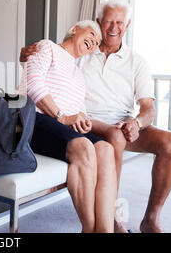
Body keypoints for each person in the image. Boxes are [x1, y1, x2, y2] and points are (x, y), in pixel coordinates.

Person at [20, 0, 171, 233]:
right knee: (112, 138)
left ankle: (150, 219)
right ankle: (111, 219)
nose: (112, 27)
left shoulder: (136, 62)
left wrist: (136, 123)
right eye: (107, 22)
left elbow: (148, 108)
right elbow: (44, 67)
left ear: (127, 25)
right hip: (88, 121)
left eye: (119, 22)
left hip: (119, 122)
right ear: (97, 23)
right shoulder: (82, 55)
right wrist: (26, 53)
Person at [23, 20, 117, 233]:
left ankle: (105, 229)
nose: (93, 42)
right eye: (91, 34)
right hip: (36, 119)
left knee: (105, 148)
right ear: (75, 29)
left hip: (62, 125)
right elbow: (32, 85)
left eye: (97, 42)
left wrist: (81, 120)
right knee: (84, 147)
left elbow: (78, 108)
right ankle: (89, 228)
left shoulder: (79, 74)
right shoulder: (47, 47)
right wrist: (62, 116)